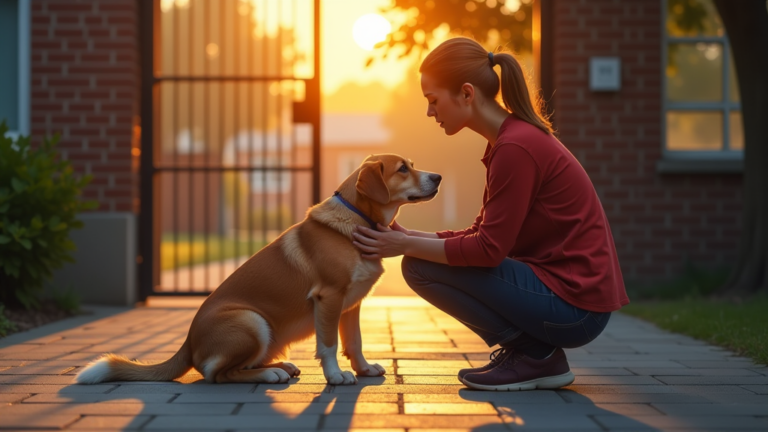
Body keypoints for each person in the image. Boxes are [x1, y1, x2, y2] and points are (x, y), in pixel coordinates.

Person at [351, 37, 629, 391]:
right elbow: (482, 233)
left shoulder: (515, 147)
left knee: (419, 266)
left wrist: (405, 245)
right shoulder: (508, 141)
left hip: (575, 309)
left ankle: (535, 355)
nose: (429, 112)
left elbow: (488, 250)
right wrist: (406, 237)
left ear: (466, 94)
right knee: (418, 258)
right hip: (567, 298)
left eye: (433, 100)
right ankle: (537, 356)